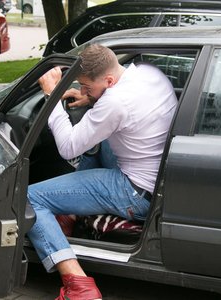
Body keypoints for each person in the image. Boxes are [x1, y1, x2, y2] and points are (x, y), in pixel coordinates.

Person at [26, 44, 177, 299]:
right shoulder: (147, 73)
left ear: (108, 81)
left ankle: (79, 285)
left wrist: (52, 95)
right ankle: (69, 215)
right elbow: (115, 107)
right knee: (97, 138)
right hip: (158, 174)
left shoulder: (114, 103)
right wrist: (92, 97)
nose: (84, 91)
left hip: (133, 191)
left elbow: (67, 146)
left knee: (30, 198)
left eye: (87, 86)